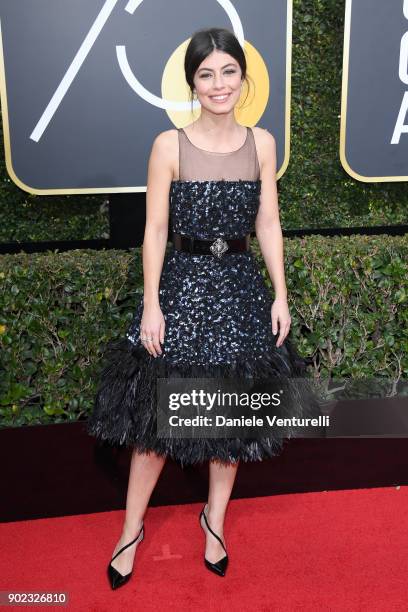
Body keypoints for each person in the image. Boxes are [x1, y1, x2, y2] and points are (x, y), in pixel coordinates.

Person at [86, 27, 322, 590]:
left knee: (230, 421)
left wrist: (281, 294)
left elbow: (267, 222)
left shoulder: (263, 143)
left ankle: (214, 521)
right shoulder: (169, 145)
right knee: (156, 427)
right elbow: (156, 230)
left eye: (228, 72)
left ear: (244, 79)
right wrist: (151, 305)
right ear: (192, 83)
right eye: (206, 74)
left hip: (240, 291)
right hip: (183, 291)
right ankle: (131, 529)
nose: (218, 84)